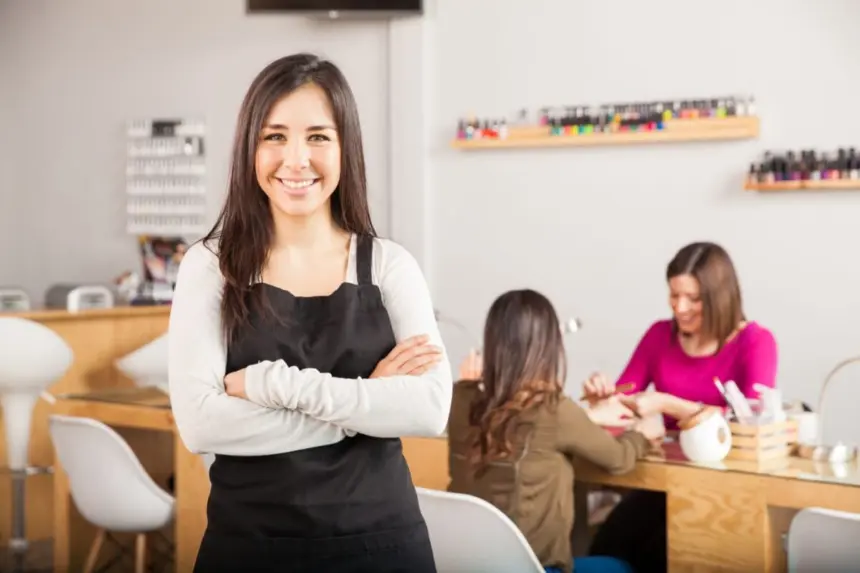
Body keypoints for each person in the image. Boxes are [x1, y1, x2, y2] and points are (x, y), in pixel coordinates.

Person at [167, 53, 453, 573]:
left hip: (381, 543)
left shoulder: (388, 265)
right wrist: (362, 412)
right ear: (248, 148)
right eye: (274, 136)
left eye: (318, 136)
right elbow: (202, 425)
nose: (296, 158)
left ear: (346, 149)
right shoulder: (210, 266)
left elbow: (429, 410)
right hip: (249, 545)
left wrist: (272, 384)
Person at [583, 241, 779, 572]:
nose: (680, 307)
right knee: (611, 544)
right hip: (663, 482)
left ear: (720, 297)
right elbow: (626, 396)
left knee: (665, 551)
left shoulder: (756, 343)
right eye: (674, 295)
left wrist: (667, 404)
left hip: (726, 489)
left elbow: (748, 420)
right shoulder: (660, 335)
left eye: (693, 298)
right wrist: (602, 397)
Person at [447, 289, 664, 573]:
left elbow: (521, 425)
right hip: (535, 566)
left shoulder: (459, 399)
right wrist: (642, 434)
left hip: (468, 563)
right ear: (547, 347)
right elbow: (619, 458)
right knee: (621, 567)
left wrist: (588, 415)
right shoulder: (553, 409)